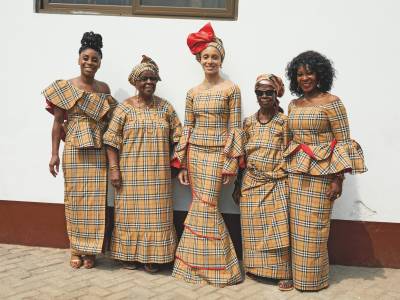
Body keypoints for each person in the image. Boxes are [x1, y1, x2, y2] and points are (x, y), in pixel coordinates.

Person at [284, 50, 367, 291]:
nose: (305, 78)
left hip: (322, 175)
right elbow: (290, 140)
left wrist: (337, 180)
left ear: (320, 74)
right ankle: (297, 276)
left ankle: (313, 280)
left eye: (309, 72)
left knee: (315, 229)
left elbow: (343, 142)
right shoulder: (293, 104)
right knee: (296, 228)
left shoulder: (333, 102)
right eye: (300, 74)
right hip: (297, 173)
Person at [171, 22, 244, 287]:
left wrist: (230, 162)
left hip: (217, 157)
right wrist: (183, 166)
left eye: (214, 56)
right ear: (199, 60)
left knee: (208, 207)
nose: (210, 61)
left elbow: (235, 127)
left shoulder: (231, 89)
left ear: (221, 59)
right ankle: (192, 267)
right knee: (199, 206)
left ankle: (219, 269)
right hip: (196, 156)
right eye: (206, 57)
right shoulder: (192, 93)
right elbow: (187, 128)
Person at [44, 31, 117, 269]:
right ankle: (76, 248)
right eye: (85, 58)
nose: (89, 62)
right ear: (78, 59)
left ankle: (92, 252)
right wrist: (54, 153)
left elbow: (109, 123)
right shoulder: (66, 87)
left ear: (100, 63)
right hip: (74, 149)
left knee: (96, 200)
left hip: (97, 150)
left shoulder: (104, 88)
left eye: (94, 59)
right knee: (75, 198)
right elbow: (57, 123)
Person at [103, 55, 182, 274]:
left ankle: (154, 258)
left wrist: (176, 163)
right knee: (129, 217)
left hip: (158, 176)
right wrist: (114, 169)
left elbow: (180, 136)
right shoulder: (124, 109)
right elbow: (110, 141)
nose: (149, 82)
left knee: (157, 217)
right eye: (144, 78)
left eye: (153, 78)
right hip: (130, 175)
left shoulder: (165, 108)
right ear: (135, 82)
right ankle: (130, 256)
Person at [232, 74, 293, 291]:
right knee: (252, 229)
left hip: (276, 182)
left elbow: (291, 154)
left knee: (278, 231)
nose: (264, 96)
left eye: (269, 92)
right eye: (260, 92)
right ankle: (255, 268)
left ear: (276, 94)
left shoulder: (285, 122)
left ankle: (284, 273)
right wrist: (238, 185)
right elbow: (242, 158)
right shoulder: (248, 122)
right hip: (251, 183)